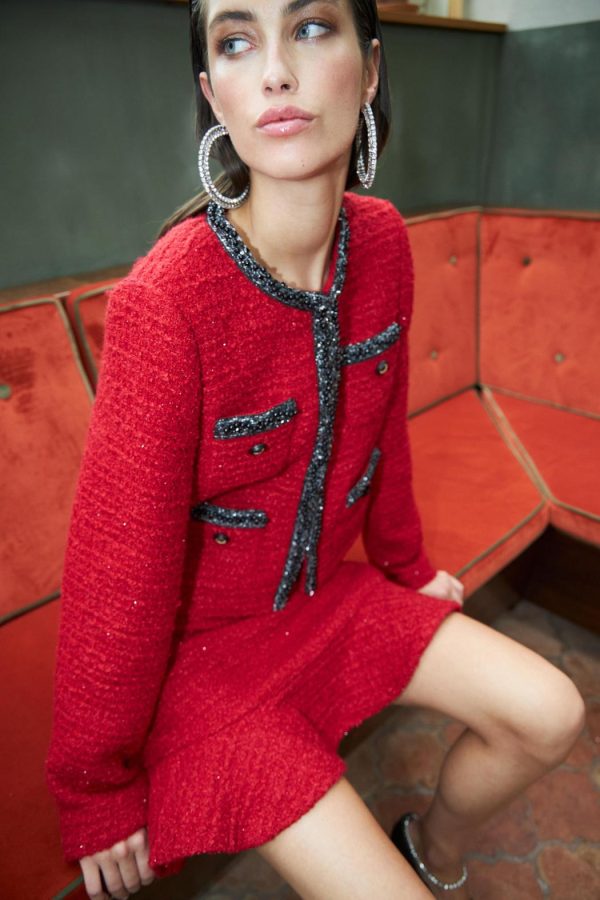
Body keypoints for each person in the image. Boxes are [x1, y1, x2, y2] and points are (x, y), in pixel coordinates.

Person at [45, 0, 586, 898]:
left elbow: (385, 430)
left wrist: (409, 571)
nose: (275, 73)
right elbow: (116, 568)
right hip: (211, 666)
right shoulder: (166, 302)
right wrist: (93, 784)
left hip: (334, 602)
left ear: (369, 69)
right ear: (212, 92)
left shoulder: (384, 243)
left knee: (552, 713)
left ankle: (431, 847)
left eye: (309, 27)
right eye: (236, 41)